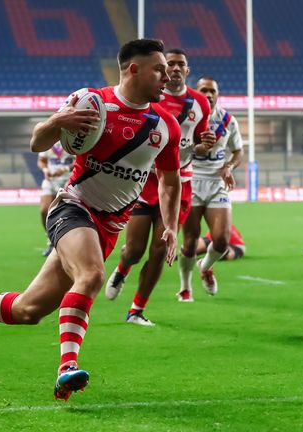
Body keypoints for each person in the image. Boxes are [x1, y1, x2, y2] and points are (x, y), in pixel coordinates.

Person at [0, 38, 182, 401]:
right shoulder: (92, 102)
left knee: (29, 309)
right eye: (159, 69)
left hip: (110, 226)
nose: (167, 77)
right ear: (134, 69)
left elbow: (171, 183)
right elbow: (37, 142)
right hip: (73, 207)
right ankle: (66, 368)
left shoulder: (167, 126)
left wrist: (171, 225)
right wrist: (56, 121)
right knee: (92, 275)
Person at [104, 48, 213, 320]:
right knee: (135, 249)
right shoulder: (151, 97)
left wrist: (202, 146)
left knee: (161, 248)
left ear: (188, 71)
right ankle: (122, 269)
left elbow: (201, 141)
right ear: (164, 70)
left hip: (179, 181)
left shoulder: (200, 104)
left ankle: (137, 309)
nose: (175, 69)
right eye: (170, 64)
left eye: (181, 65)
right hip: (144, 181)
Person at [174, 76, 243, 301]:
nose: (209, 94)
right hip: (191, 182)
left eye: (213, 90)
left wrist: (229, 167)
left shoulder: (228, 120)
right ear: (197, 92)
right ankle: (185, 287)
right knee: (190, 241)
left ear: (218, 94)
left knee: (222, 240)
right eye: (204, 90)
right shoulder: (187, 118)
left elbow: (238, 151)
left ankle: (205, 267)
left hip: (216, 184)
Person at [38, 142, 74, 256]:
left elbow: (82, 160)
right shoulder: (49, 140)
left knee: (66, 213)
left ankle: (67, 242)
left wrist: (65, 169)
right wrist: (45, 170)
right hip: (51, 180)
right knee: (44, 210)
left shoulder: (73, 139)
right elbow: (41, 160)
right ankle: (50, 239)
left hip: (69, 180)